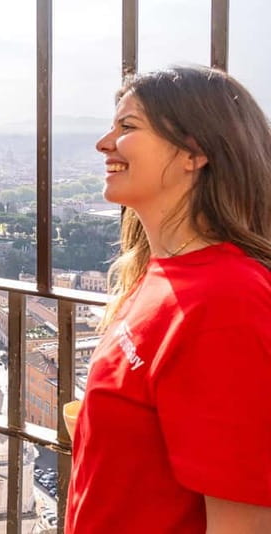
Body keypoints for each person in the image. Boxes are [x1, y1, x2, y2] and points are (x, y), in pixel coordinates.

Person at [66, 65, 271, 533]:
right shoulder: (158, 277)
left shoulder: (227, 300)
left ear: (193, 151)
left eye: (128, 127)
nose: (104, 143)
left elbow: (245, 522)